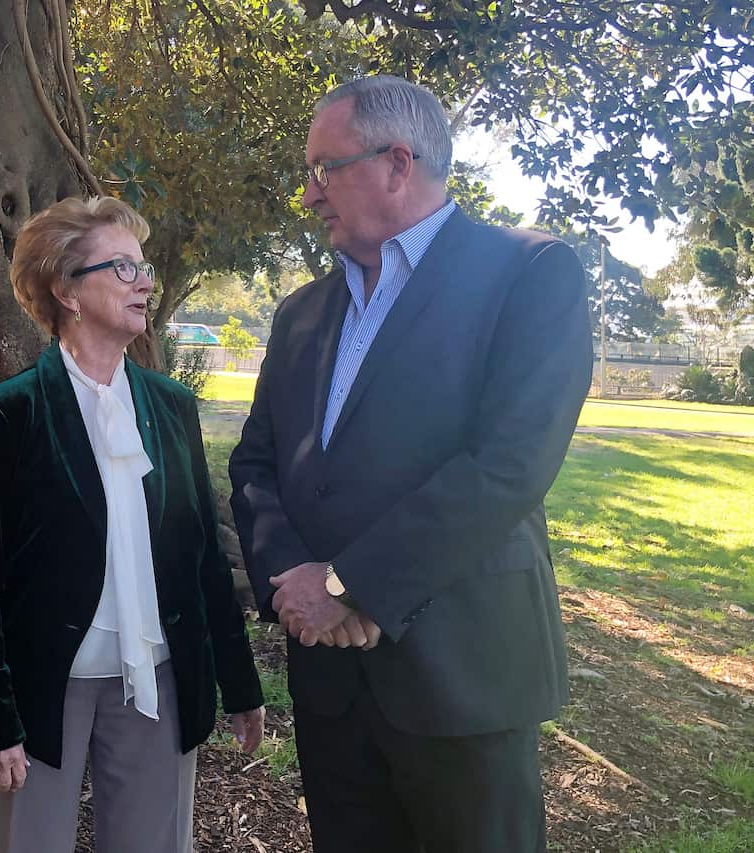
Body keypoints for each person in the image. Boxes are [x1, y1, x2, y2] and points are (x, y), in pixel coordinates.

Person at [229, 75, 593, 853]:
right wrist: (291, 576)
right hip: (332, 685)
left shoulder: (529, 274)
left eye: (324, 169)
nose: (308, 194)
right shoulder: (301, 312)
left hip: (464, 675)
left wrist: (346, 583)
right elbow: (257, 461)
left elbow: (509, 464)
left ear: (398, 163)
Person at [0, 196, 265, 853]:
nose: (144, 280)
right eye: (122, 267)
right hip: (35, 687)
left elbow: (201, 555)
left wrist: (240, 679)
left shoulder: (171, 406)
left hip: (159, 678)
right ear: (65, 288)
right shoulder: (11, 413)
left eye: (144, 267)